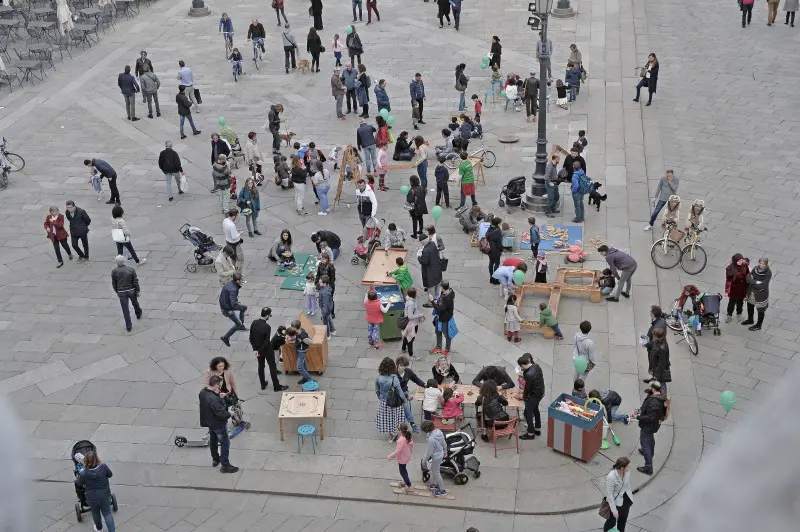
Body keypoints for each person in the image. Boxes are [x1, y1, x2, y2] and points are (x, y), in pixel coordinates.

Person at [199, 375, 238, 473]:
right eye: (219, 385)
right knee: (225, 442)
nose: (219, 387)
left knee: (213, 440)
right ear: (216, 385)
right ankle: (225, 465)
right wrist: (230, 413)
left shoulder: (203, 392)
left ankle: (215, 459)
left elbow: (208, 404)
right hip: (218, 424)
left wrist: (218, 396)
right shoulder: (214, 399)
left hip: (209, 422)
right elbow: (221, 414)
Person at [249, 308, 289, 393]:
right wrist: (260, 350)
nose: (269, 317)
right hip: (267, 350)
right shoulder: (267, 327)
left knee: (261, 366)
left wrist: (255, 350)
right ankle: (276, 386)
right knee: (272, 366)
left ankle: (263, 384)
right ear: (267, 315)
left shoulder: (254, 323)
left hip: (257, 350)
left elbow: (251, 338)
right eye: (270, 315)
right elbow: (266, 342)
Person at [74, 451, 116, 532]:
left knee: (95, 512)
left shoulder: (84, 473)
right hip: (105, 495)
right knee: (107, 513)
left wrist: (76, 480)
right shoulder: (104, 467)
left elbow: (79, 483)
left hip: (92, 497)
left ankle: (99, 528)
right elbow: (110, 475)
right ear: (97, 459)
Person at [636, 381, 667, 475]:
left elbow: (650, 417)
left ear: (653, 388)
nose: (648, 388)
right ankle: (650, 452)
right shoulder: (659, 396)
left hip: (648, 426)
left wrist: (639, 417)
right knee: (650, 439)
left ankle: (648, 468)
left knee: (645, 442)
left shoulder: (654, 401)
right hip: (653, 425)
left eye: (649, 386)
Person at [375, 357, 406, 440]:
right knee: (397, 418)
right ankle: (398, 434)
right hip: (395, 401)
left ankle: (390, 435)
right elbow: (400, 391)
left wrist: (380, 397)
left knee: (387, 418)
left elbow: (377, 390)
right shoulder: (394, 378)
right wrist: (404, 400)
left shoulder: (379, 378)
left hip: (384, 402)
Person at [111, 254, 142, 332]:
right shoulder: (131, 269)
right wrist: (137, 290)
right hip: (131, 290)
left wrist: (117, 291)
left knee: (125, 310)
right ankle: (138, 313)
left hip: (121, 292)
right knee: (135, 303)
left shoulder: (114, 271)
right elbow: (135, 281)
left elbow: (114, 284)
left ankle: (128, 326)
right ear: (124, 261)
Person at [603, 457, 634, 532]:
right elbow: (610, 495)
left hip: (625, 499)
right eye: (627, 466)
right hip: (615, 502)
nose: (629, 468)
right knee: (611, 522)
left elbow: (627, 485)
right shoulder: (611, 477)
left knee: (623, 521)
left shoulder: (627, 472)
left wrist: (630, 499)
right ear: (622, 468)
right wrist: (614, 511)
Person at [519, 354, 545, 440]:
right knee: (536, 409)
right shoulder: (536, 366)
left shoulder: (528, 374)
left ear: (522, 365)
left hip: (533, 395)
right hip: (540, 393)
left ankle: (530, 433)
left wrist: (524, 397)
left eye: (521, 367)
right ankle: (537, 429)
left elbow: (527, 388)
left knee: (528, 413)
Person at [742, 257, 771, 331]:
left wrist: (752, 282)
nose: (761, 265)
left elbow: (763, 285)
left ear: (766, 264)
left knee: (761, 310)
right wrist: (755, 282)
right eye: (760, 263)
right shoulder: (755, 269)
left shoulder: (768, 273)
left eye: (763, 264)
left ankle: (759, 325)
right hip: (751, 292)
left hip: (761, 295)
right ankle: (750, 320)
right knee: (750, 306)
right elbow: (748, 277)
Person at [219, 273, 247, 347]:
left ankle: (241, 325)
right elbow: (234, 304)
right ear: (237, 281)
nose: (242, 280)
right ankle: (225, 337)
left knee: (244, 307)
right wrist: (242, 310)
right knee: (238, 323)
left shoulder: (231, 283)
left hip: (225, 304)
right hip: (227, 309)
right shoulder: (233, 289)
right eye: (241, 279)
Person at [421, 420, 448, 496]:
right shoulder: (439, 431)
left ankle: (442, 490)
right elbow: (444, 442)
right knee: (434, 469)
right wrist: (445, 450)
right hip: (440, 453)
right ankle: (435, 484)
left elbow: (429, 452)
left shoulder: (431, 439)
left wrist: (424, 460)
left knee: (436, 472)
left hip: (436, 456)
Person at [388, 421, 414, 493]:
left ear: (399, 430)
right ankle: (404, 481)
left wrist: (390, 456)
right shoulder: (408, 436)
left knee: (402, 472)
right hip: (407, 456)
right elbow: (412, 445)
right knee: (404, 470)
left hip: (402, 458)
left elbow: (397, 451)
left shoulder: (401, 440)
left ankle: (409, 486)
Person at [419, 228, 445, 302]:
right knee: (437, 286)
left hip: (430, 273)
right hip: (437, 269)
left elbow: (424, 262)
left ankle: (431, 303)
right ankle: (437, 299)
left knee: (431, 289)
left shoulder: (426, 250)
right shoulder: (433, 244)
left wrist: (419, 257)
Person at [287, 320, 315, 384]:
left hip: (302, 351)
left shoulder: (303, 335)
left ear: (295, 328)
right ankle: (305, 378)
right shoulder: (298, 331)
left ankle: (310, 380)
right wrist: (292, 339)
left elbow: (310, 342)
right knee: (303, 365)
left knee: (299, 367)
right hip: (298, 349)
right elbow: (297, 338)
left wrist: (303, 338)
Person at [431, 282, 455, 355]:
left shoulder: (449, 299)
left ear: (442, 287)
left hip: (445, 319)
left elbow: (440, 309)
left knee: (446, 334)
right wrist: (437, 301)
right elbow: (440, 302)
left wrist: (432, 301)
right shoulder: (443, 293)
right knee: (438, 332)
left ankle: (447, 349)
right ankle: (438, 347)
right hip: (440, 317)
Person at [400, 290, 424, 362]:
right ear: (414, 294)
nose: (418, 293)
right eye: (416, 292)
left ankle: (403, 348)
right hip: (412, 324)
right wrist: (420, 315)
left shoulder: (410, 300)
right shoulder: (411, 303)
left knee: (406, 336)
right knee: (411, 339)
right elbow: (410, 316)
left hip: (410, 323)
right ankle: (411, 355)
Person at [725, 254, 750, 322]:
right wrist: (727, 291)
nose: (741, 262)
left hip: (742, 288)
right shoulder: (729, 268)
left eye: (741, 260)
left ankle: (739, 314)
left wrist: (749, 285)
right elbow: (728, 280)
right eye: (739, 261)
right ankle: (729, 315)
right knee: (731, 303)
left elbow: (748, 274)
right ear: (735, 260)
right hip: (734, 289)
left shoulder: (744, 265)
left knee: (740, 302)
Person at [646, 328, 671, 395]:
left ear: (656, 336)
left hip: (659, 370)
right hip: (655, 367)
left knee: (662, 383)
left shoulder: (662, 348)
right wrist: (646, 344)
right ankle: (652, 389)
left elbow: (662, 363)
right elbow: (652, 345)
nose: (652, 336)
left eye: (653, 335)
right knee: (656, 379)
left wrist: (657, 374)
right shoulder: (658, 341)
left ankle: (663, 397)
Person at [485, 217, 503, 283]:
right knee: (497, 264)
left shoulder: (489, 228)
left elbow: (486, 236)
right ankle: (495, 279)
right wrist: (501, 250)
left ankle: (491, 277)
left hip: (489, 249)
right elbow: (499, 243)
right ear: (497, 224)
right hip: (496, 250)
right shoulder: (498, 232)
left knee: (491, 263)